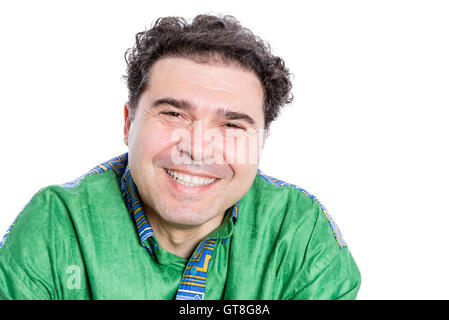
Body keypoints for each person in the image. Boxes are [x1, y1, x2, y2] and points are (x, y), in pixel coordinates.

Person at [0, 14, 361, 300]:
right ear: (129, 123)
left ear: (262, 140)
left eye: (232, 125)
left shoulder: (300, 234)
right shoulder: (55, 228)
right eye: (174, 115)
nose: (197, 147)